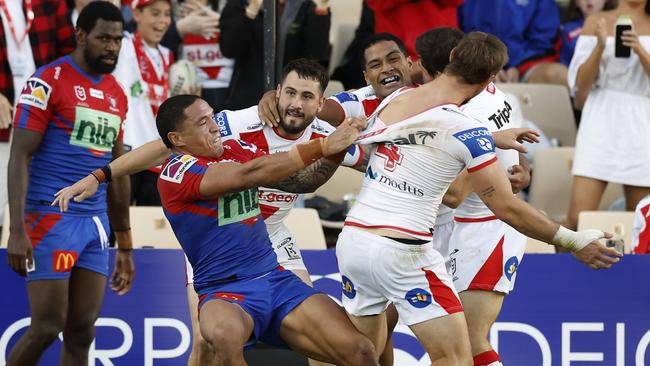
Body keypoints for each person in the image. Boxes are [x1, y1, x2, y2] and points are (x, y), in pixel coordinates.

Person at [53, 58, 365, 366]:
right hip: (218, 263)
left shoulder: (244, 143)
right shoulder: (237, 127)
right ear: (278, 92)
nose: (296, 104)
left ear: (320, 103)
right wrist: (101, 175)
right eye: (291, 93)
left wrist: (333, 148)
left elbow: (301, 180)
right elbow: (164, 148)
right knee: (207, 342)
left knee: (331, 342)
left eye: (307, 96)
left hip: (271, 241)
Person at [336, 31, 622, 365]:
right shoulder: (468, 130)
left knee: (361, 355)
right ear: (490, 78)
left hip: (354, 240)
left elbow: (390, 149)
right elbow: (504, 205)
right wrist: (572, 241)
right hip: (402, 250)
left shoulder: (395, 100)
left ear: (453, 56)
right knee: (458, 356)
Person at [5, 3, 134, 365]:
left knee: (82, 331)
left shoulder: (116, 93)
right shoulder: (47, 80)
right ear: (80, 35)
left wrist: (125, 242)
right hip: (49, 219)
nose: (112, 47)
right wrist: (17, 229)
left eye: (117, 39)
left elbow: (118, 169)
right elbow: (20, 156)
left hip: (94, 225)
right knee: (47, 326)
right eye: (103, 38)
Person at [416, 27, 530, 366]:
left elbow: (453, 195)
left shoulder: (469, 117)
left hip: (489, 231)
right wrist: (522, 171)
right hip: (466, 230)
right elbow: (520, 150)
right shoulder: (499, 96)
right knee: (458, 345)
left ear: (452, 59)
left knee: (469, 340)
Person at [564, 0, 650, 237]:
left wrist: (640, 50)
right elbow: (579, 86)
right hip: (600, 117)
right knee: (577, 218)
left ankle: (636, 274)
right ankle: (573, 272)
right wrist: (600, 47)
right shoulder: (596, 21)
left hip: (643, 120)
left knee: (640, 223)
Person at [0, 0, 75, 241]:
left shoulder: (50, 2)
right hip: (4, 119)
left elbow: (69, 55)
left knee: (41, 204)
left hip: (42, 117)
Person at [113, 0, 173, 205]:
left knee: (152, 225)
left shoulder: (167, 55)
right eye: (155, 13)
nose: (162, 21)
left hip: (157, 153)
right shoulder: (125, 46)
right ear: (136, 14)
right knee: (121, 221)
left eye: (167, 14)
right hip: (128, 151)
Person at [219, 0, 331, 110]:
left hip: (292, 99)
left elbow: (316, 56)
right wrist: (251, 11)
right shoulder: (240, 3)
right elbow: (229, 49)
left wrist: (321, 8)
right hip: (248, 96)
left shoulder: (305, 5)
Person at [460, 0, 566, 85]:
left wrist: (518, 68)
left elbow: (543, 41)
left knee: (558, 75)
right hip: (474, 63)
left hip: (523, 67)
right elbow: (455, 34)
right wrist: (483, 66)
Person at [560, 0, 617, 67]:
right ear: (576, 2)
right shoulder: (568, 29)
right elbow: (564, 62)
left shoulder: (616, 25)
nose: (589, 0)